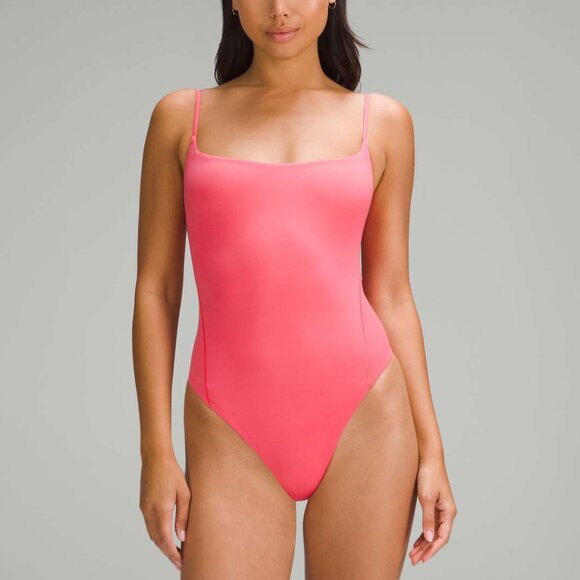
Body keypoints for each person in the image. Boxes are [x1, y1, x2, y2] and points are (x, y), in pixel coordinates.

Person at [132, 1, 457, 577]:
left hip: (367, 420)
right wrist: (155, 453)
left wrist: (433, 451)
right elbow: (156, 291)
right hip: (227, 426)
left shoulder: (383, 122)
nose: (280, 10)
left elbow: (392, 295)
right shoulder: (181, 119)